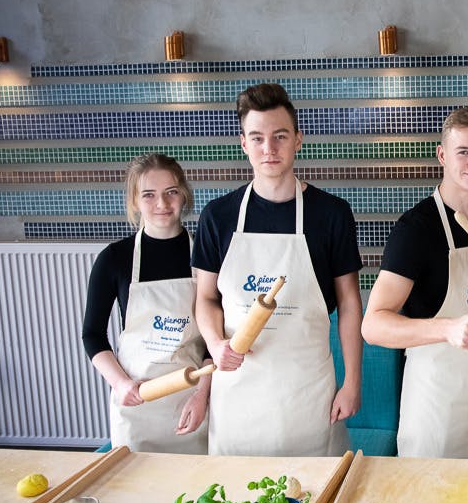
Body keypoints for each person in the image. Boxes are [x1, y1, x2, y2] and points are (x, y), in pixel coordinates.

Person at [192, 83, 363, 457]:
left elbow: (350, 304)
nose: (268, 149)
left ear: (298, 140)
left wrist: (352, 382)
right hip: (238, 394)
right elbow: (205, 299)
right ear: (243, 144)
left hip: (307, 391)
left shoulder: (331, 214)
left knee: (315, 500)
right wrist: (215, 343)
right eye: (257, 138)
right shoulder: (217, 217)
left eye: (279, 136)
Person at [362, 108, 468, 458]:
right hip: (435, 409)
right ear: (442, 155)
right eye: (463, 152)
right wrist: (447, 329)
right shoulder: (415, 230)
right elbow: (373, 325)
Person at [82, 153, 210, 453]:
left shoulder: (205, 256)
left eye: (171, 192)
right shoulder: (114, 258)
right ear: (135, 201)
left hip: (191, 401)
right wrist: (120, 384)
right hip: (137, 399)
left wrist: (203, 394)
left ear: (184, 195)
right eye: (149, 195)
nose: (162, 204)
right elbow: (92, 334)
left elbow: (215, 337)